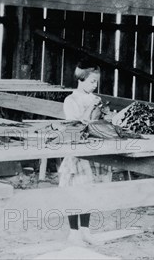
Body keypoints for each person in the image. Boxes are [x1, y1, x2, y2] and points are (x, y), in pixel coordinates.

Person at [58, 59, 109, 245]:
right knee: (74, 192)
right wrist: (91, 110)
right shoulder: (71, 100)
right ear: (80, 79)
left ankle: (86, 230)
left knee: (89, 192)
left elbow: (101, 124)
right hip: (77, 150)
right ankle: (73, 231)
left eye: (96, 82)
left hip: (93, 150)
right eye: (91, 81)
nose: (95, 85)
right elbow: (74, 125)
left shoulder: (97, 99)